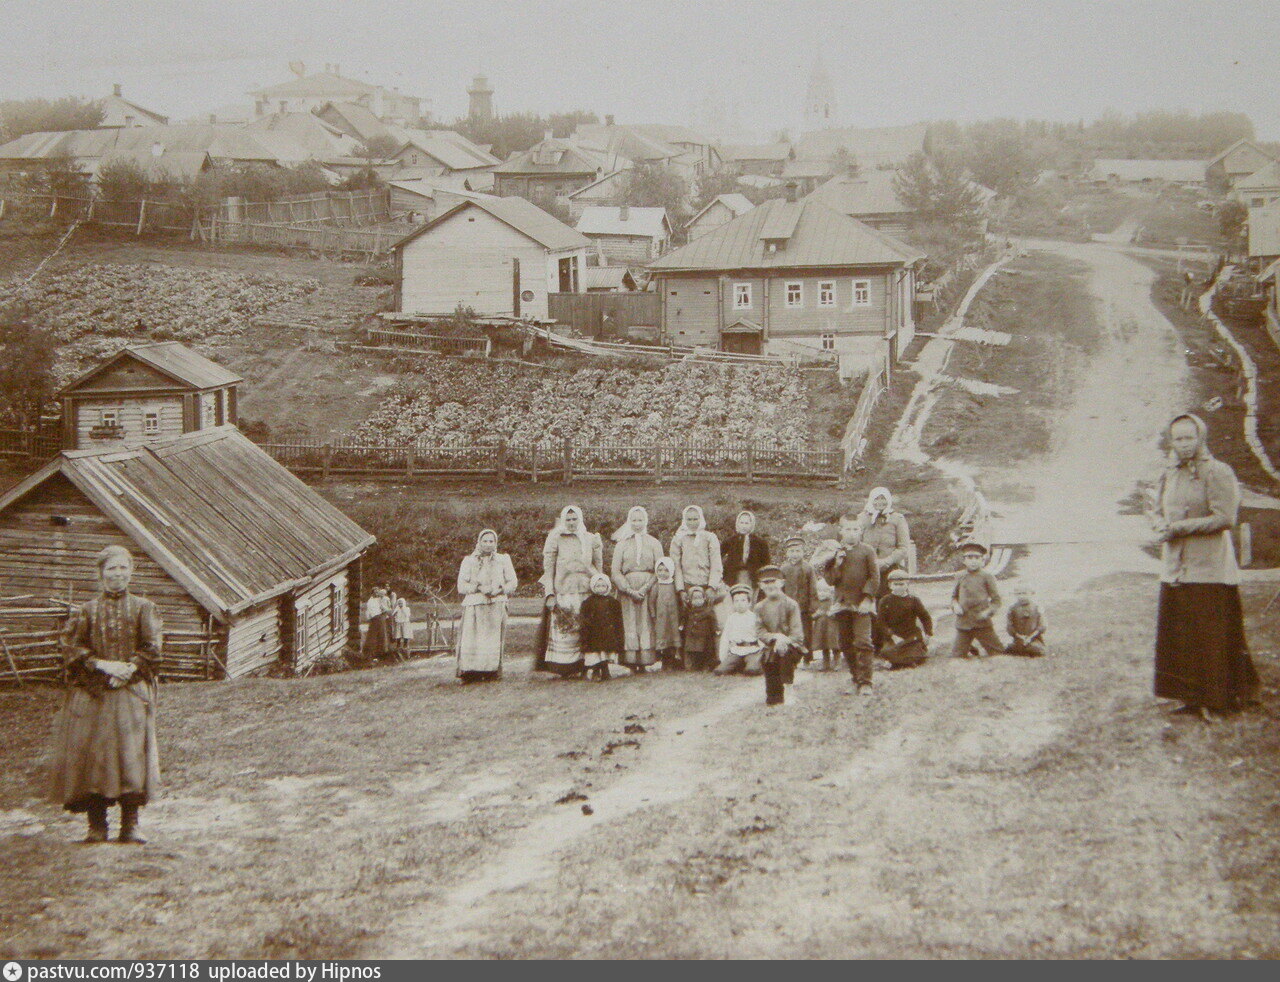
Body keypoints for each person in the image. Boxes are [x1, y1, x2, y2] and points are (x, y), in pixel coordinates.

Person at [50, 546, 162, 844]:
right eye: (112, 569)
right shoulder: (87, 610)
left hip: (130, 693)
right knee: (95, 758)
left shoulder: (143, 608)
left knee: (130, 755)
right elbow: (73, 649)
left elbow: (152, 649)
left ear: (131, 572)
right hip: (93, 695)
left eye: (123, 568)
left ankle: (131, 825)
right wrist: (102, 666)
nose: (118, 574)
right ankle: (97, 826)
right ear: (101, 573)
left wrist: (127, 669)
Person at [1153, 413, 1259, 717]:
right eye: (1178, 438)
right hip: (1176, 564)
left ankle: (1220, 699)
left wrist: (1179, 528)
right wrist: (1160, 525)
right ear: (1171, 441)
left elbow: (1225, 517)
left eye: (1189, 438)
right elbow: (1159, 509)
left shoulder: (1218, 471)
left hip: (1209, 566)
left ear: (1201, 438)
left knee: (1209, 634)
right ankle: (1191, 697)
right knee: (1182, 634)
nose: (1184, 444)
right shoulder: (1169, 473)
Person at [535, 505, 604, 678]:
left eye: (575, 519)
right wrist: (550, 593)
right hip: (564, 591)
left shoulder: (590, 538)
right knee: (567, 629)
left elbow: (598, 566)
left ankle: (587, 666)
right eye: (568, 519)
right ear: (563, 520)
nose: (572, 523)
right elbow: (549, 568)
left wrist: (599, 586)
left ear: (580, 519)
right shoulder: (555, 538)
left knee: (586, 629)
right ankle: (566, 668)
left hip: (587, 591)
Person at [816, 514, 880, 695]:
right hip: (842, 604)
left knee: (863, 641)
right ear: (840, 531)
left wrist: (868, 599)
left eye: (855, 529)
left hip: (862, 605)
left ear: (861, 531)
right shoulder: (835, 553)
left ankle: (866, 681)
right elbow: (830, 581)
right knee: (845, 643)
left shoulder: (867, 551)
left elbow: (874, 577)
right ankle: (855, 677)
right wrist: (837, 563)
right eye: (848, 529)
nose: (852, 533)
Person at [456, 529, 517, 683]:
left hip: (496, 604)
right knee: (473, 639)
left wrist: (500, 589)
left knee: (492, 640)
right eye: (485, 541)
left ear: (495, 543)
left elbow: (513, 582)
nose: (488, 544)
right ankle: (471, 672)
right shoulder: (469, 561)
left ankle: (491, 671)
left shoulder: (503, 560)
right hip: (475, 605)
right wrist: (477, 588)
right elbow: (461, 586)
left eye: (491, 541)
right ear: (479, 542)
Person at [610, 506, 664, 672]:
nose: (637, 523)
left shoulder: (654, 543)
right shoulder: (622, 544)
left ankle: (646, 660)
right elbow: (615, 571)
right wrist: (628, 589)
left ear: (645, 521)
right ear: (629, 521)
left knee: (646, 622)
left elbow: (660, 568)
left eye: (640, 520)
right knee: (630, 622)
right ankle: (631, 661)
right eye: (633, 520)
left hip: (648, 589)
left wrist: (646, 588)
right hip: (627, 591)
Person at [859, 487, 912, 650]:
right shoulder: (862, 518)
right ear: (871, 500)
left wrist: (886, 561)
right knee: (868, 603)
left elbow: (903, 547)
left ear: (888, 500)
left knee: (889, 605)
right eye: (876, 499)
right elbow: (857, 541)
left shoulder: (897, 519)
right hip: (867, 568)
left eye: (883, 499)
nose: (879, 503)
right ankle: (872, 642)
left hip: (889, 569)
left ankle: (892, 641)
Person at [755, 565, 807, 706]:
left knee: (785, 654)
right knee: (773, 700)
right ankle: (776, 695)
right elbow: (759, 631)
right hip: (771, 647)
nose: (770, 585)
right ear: (760, 586)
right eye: (766, 583)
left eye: (774, 581)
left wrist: (784, 640)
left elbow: (797, 634)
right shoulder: (759, 607)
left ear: (782, 583)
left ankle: (789, 691)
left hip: (792, 646)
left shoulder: (791, 604)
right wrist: (775, 637)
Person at [669, 505, 725, 620]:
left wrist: (712, 586)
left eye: (695, 519)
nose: (693, 523)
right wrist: (681, 590)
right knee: (687, 619)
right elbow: (676, 566)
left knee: (708, 619)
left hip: (706, 584)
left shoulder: (710, 538)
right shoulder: (679, 539)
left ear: (701, 519)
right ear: (684, 520)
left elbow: (716, 564)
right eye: (689, 519)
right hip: (687, 585)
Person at [951, 541, 1004, 659]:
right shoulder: (959, 576)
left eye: (977, 557)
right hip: (964, 622)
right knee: (957, 656)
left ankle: (973, 645)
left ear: (982, 560)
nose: (973, 561)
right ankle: (968, 646)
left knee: (998, 653)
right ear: (964, 560)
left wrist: (988, 612)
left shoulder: (987, 577)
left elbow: (996, 601)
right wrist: (955, 605)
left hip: (982, 622)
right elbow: (954, 597)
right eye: (969, 557)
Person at [877, 570, 933, 669]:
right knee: (887, 651)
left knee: (915, 652)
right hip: (894, 636)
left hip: (911, 635)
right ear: (890, 585)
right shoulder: (884, 601)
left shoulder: (913, 600)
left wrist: (928, 634)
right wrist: (892, 636)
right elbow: (881, 623)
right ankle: (904, 663)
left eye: (902, 584)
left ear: (907, 584)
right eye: (896, 584)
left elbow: (925, 617)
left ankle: (897, 664)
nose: (899, 587)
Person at [579, 573, 624, 681]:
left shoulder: (613, 602)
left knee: (605, 653)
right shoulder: (588, 602)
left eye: (603, 586)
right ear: (593, 587)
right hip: (594, 634)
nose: (600, 589)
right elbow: (585, 619)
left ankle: (605, 671)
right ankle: (595, 671)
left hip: (607, 633)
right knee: (596, 654)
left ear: (608, 587)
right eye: (597, 586)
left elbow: (617, 619)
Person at [779, 535, 817, 661]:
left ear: (803, 552)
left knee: (806, 632)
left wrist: (813, 605)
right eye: (791, 551)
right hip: (788, 607)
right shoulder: (783, 569)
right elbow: (780, 589)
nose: (794, 554)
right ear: (786, 553)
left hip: (804, 607)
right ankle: (792, 656)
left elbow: (813, 588)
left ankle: (807, 657)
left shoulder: (808, 568)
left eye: (797, 551)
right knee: (790, 631)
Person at [714, 584, 764, 675]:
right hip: (736, 650)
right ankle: (737, 665)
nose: (739, 603)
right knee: (719, 671)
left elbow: (760, 634)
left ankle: (752, 665)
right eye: (736, 601)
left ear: (749, 603)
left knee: (752, 670)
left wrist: (762, 649)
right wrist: (723, 658)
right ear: (733, 603)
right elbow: (725, 638)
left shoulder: (754, 617)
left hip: (752, 650)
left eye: (743, 600)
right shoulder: (731, 618)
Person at [722, 510, 771, 592]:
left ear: (751, 524)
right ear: (737, 524)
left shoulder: (760, 542)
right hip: (733, 577)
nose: (744, 526)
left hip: (752, 578)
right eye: (742, 523)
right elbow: (718, 556)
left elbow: (766, 563)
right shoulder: (730, 541)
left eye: (746, 523)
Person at [650, 557, 682, 671]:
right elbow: (651, 602)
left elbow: (679, 602)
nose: (663, 573)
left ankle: (673, 661)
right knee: (663, 639)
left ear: (671, 571)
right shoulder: (656, 586)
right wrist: (654, 615)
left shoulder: (674, 586)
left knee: (673, 637)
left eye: (666, 570)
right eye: (660, 570)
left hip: (673, 618)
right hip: (661, 619)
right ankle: (665, 662)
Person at [681, 584, 719, 671]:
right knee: (691, 650)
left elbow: (713, 621)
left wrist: (716, 629)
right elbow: (684, 619)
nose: (698, 601)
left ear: (704, 599)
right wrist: (681, 625)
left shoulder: (708, 611)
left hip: (704, 635)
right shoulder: (688, 611)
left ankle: (706, 665)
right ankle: (692, 666)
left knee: (705, 650)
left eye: (700, 598)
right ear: (690, 600)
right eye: (695, 599)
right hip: (692, 635)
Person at [1005, 587, 1047, 658]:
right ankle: (1020, 649)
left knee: (1037, 649)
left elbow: (1042, 626)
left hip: (1034, 638)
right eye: (1019, 594)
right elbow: (1009, 626)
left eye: (1024, 593)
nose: (1022, 596)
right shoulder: (1012, 608)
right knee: (1009, 649)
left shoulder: (1037, 607)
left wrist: (1030, 637)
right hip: (1019, 638)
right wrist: (1019, 636)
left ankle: (1029, 649)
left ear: (1030, 594)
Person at [810, 577, 840, 671]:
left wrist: (832, 612)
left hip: (832, 626)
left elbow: (837, 612)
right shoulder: (817, 603)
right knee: (824, 645)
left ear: (831, 591)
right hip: (821, 626)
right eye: (819, 591)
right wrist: (816, 614)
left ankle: (837, 663)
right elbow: (813, 614)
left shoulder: (833, 601)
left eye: (825, 591)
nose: (822, 593)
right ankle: (825, 664)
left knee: (834, 644)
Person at [362, 587, 388, 659]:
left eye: (377, 592)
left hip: (380, 618)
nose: (376, 594)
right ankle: (371, 654)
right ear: (372, 593)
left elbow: (385, 608)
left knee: (381, 635)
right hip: (374, 619)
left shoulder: (379, 600)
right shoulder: (370, 602)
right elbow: (369, 612)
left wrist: (384, 611)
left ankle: (381, 653)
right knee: (373, 636)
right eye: (375, 592)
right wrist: (372, 618)